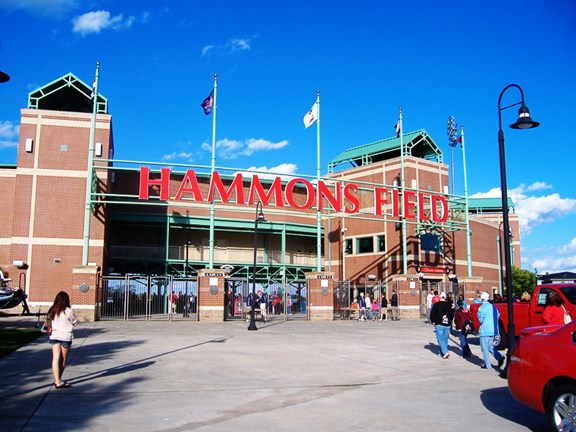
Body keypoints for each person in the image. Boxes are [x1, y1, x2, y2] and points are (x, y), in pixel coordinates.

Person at [47, 291, 78, 389]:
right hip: (65, 336)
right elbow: (75, 322)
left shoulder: (52, 310)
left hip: (55, 335)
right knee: (63, 359)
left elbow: (48, 321)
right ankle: (59, 380)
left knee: (55, 358)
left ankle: (57, 380)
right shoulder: (68, 311)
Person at [477, 292, 504, 370]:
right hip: (493, 330)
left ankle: (488, 365)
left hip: (484, 330)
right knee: (490, 346)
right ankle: (499, 357)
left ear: (482, 299)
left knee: (484, 348)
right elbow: (498, 316)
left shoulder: (481, 308)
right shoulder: (493, 307)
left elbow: (481, 320)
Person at [430, 292, 453, 358]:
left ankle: (445, 352)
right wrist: (450, 321)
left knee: (440, 338)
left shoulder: (436, 305)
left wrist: (433, 321)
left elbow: (432, 313)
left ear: (440, 297)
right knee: (445, 338)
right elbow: (452, 313)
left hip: (439, 323)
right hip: (447, 324)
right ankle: (441, 352)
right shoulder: (449, 305)